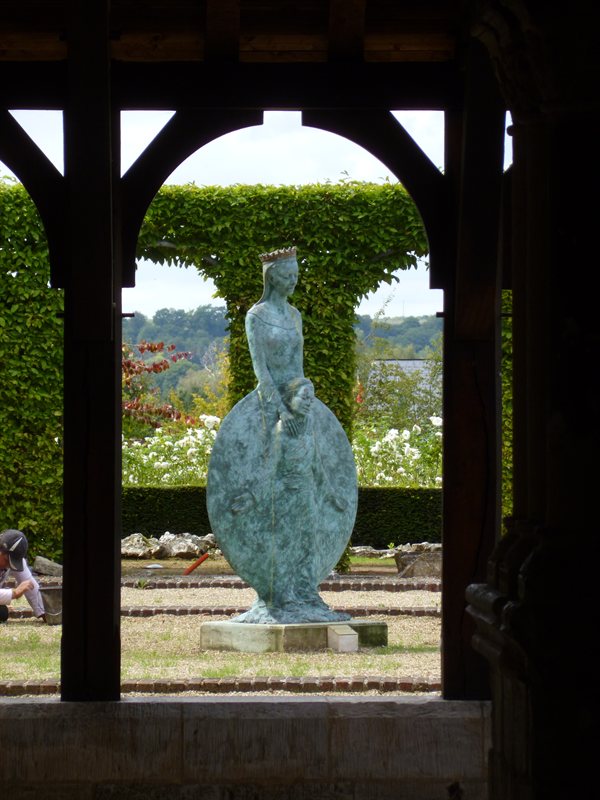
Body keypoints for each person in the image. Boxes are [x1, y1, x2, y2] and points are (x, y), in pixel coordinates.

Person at [0, 529, 46, 623]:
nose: (8, 565)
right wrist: (14, 593)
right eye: (7, 560)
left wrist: (46, 613)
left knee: (2, 613)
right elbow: (16, 592)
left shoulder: (12, 558)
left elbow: (31, 586)